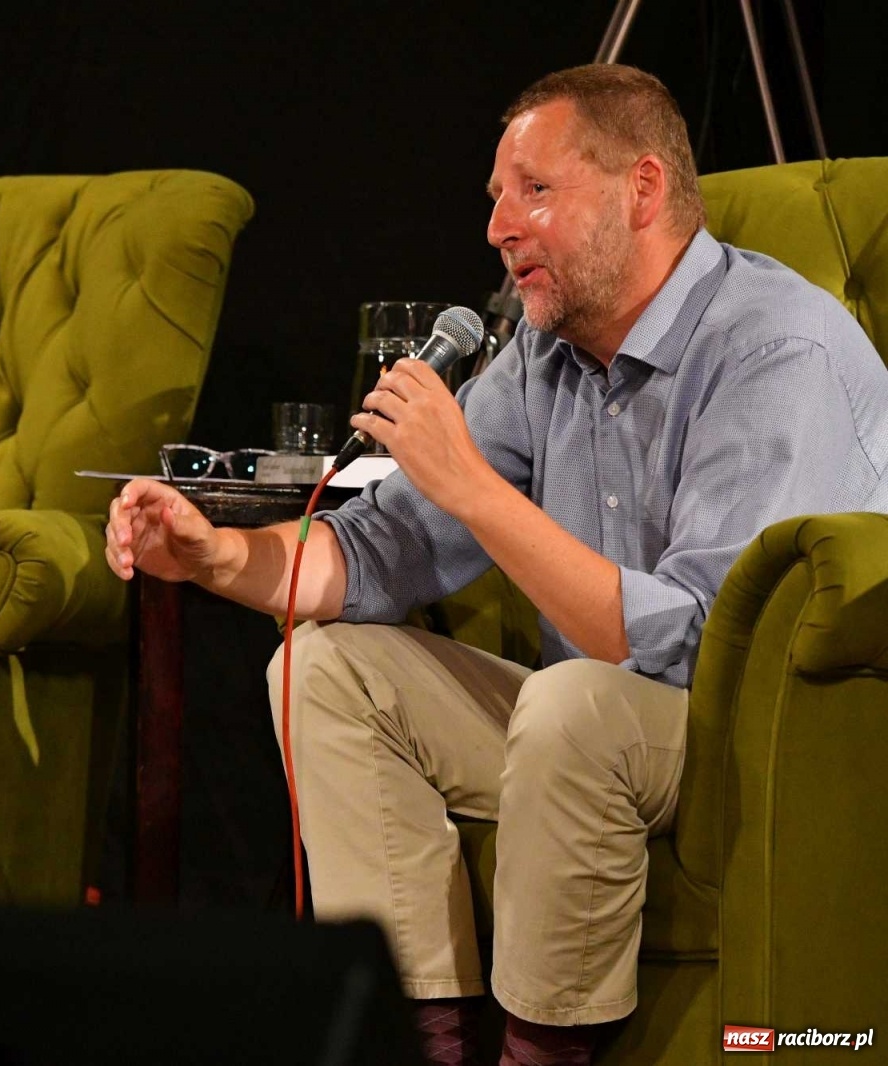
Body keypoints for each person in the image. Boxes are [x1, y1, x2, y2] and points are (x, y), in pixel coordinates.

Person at [106, 64, 888, 1066]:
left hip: (768, 744)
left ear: (642, 189)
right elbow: (376, 550)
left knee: (574, 702)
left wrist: (474, 486)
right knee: (326, 668)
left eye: (535, 191)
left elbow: (693, 644)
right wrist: (212, 555)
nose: (498, 228)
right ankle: (417, 1040)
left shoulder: (774, 349)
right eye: (494, 197)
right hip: (597, 735)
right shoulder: (543, 358)